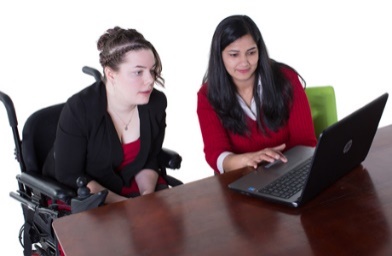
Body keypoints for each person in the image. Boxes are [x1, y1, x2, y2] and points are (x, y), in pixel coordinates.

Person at [43, 26, 169, 203]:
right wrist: (124, 205)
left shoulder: (155, 103)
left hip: (134, 185)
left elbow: (150, 158)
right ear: (111, 74)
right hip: (85, 194)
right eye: (138, 72)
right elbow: (70, 175)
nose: (150, 80)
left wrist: (146, 196)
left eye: (152, 70)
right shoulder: (79, 109)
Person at [197, 15, 317, 175]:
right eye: (234, 55)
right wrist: (248, 160)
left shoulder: (287, 79)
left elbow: (305, 143)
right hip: (239, 181)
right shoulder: (207, 95)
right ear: (219, 56)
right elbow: (217, 155)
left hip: (289, 173)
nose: (244, 62)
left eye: (251, 52)